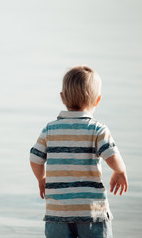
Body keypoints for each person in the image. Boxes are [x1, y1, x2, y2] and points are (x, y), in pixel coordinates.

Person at [29, 66, 128, 238]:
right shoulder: (98, 129)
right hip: (91, 213)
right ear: (98, 100)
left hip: (57, 214)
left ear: (62, 97)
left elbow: (35, 158)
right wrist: (120, 171)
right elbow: (112, 157)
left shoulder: (50, 130)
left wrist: (41, 178)